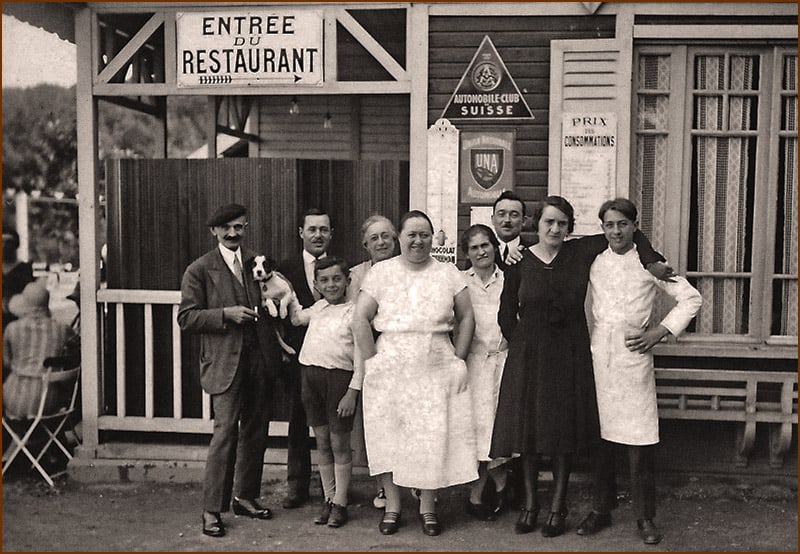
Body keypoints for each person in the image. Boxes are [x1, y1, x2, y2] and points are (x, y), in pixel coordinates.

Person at [490, 195, 669, 538]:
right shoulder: (519, 260)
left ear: (569, 228)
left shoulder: (578, 253)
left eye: (562, 223)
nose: (555, 228)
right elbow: (505, 310)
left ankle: (558, 508)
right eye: (548, 222)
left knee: (560, 434)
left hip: (568, 355)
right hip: (529, 355)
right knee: (527, 435)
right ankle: (531, 506)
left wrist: (649, 259)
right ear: (536, 225)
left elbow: (626, 232)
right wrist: (523, 341)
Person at [576, 198, 702, 546]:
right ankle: (601, 510)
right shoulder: (594, 259)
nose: (616, 231)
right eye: (609, 225)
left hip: (634, 359)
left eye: (622, 224)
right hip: (600, 357)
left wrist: (658, 332)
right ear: (602, 228)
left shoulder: (651, 265)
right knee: (601, 442)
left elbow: (692, 299)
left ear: (634, 226)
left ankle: (645, 517)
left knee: (639, 444)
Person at [351, 210, 477, 537]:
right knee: (389, 435)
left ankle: (428, 507)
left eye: (424, 234)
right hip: (391, 362)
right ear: (400, 238)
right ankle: (392, 507)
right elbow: (360, 319)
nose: (418, 240)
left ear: (432, 238)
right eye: (411, 234)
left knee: (429, 437)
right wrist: (372, 360)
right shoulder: (382, 272)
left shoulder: (448, 273)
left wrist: (457, 359)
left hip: (434, 362)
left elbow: (466, 318)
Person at [177, 203, 283, 538]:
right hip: (225, 363)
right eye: (227, 228)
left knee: (256, 430)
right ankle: (211, 510)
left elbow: (275, 297)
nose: (234, 233)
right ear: (214, 231)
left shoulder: (258, 261)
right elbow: (187, 317)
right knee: (225, 434)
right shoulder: (200, 269)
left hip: (259, 360)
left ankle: (246, 497)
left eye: (239, 227)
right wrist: (225, 314)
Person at [287, 256, 359, 528]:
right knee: (322, 443)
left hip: (339, 380)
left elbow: (362, 356)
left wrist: (352, 392)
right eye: (324, 280)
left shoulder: (354, 312)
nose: (331, 285)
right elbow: (295, 319)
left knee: (339, 444)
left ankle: (340, 501)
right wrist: (282, 290)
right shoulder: (317, 308)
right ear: (316, 284)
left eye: (337, 279)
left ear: (347, 281)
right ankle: (328, 498)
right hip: (310, 378)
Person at [277, 208, 334, 509]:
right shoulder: (285, 269)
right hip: (298, 358)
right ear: (301, 232)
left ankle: (335, 490)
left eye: (323, 229)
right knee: (298, 421)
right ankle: (297, 485)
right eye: (312, 229)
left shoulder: (339, 269)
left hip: (333, 357)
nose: (318, 235)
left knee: (334, 425)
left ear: (331, 233)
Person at [345, 214, 398, 510]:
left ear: (396, 240)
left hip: (402, 356)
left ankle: (413, 481)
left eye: (386, 236)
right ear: (365, 245)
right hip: (369, 355)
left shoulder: (407, 269)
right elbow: (355, 320)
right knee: (375, 426)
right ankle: (382, 487)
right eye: (374, 238)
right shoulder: (356, 275)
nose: (381, 242)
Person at [459, 224, 510, 521]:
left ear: (494, 247)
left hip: (503, 361)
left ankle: (501, 484)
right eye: (475, 247)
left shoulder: (508, 279)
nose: (481, 252)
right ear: (467, 253)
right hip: (474, 364)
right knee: (477, 429)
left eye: (486, 245)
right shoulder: (460, 282)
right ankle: (478, 492)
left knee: (499, 428)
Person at [2, 280, 76, 419]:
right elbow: (76, 351)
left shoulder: (12, 329)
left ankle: (17, 437)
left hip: (15, 401)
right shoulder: (62, 329)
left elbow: (6, 363)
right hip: (50, 401)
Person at [2, 228, 35, 337]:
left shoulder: (24, 269)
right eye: (2, 241)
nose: (4, 246)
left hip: (19, 320)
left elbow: (29, 296)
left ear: (16, 245)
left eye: (9, 242)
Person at [491, 191, 533, 269]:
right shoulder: (483, 251)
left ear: (524, 221)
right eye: (501, 214)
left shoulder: (532, 252)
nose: (507, 220)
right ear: (493, 219)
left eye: (514, 215)